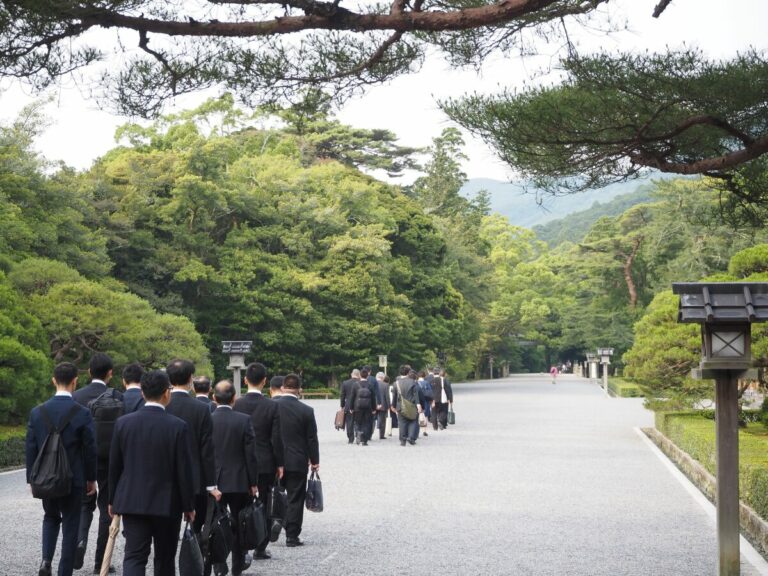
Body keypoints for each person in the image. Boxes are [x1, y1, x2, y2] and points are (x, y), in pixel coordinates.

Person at [108, 369, 196, 576]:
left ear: (142, 393)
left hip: (132, 499)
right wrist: (188, 505)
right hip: (167, 502)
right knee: (165, 558)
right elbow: (184, 470)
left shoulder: (123, 423)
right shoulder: (177, 426)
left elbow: (115, 466)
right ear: (167, 393)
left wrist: (112, 499)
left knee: (134, 556)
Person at [26, 362, 97, 576]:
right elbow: (90, 449)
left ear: (53, 380)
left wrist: (32, 479)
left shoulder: (37, 412)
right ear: (75, 381)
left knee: (50, 517)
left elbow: (30, 447)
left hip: (46, 478)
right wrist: (91, 479)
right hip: (73, 479)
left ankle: (45, 561)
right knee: (71, 523)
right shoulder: (82, 413)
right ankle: (64, 571)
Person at [72, 352, 122, 574]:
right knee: (106, 509)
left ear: (89, 372)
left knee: (84, 504)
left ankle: (80, 540)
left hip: (83, 459)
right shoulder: (117, 396)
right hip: (111, 459)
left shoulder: (77, 396)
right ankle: (100, 563)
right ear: (110, 373)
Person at [233, 362, 284, 559]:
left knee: (238, 506)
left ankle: (240, 547)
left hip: (239, 462)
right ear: (264, 381)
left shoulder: (236, 403)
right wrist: (280, 463)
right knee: (262, 504)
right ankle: (260, 547)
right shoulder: (271, 406)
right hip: (264, 461)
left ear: (245, 380)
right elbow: (276, 439)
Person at [165, 359, 219, 535]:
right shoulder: (201, 409)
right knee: (196, 524)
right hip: (195, 475)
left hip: (166, 476)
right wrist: (211, 484)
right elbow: (207, 449)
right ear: (190, 379)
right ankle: (193, 553)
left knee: (166, 529)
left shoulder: (163, 406)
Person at [211, 380, 259, 576]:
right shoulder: (243, 420)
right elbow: (251, 455)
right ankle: (237, 568)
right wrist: (253, 482)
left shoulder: (208, 419)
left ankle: (218, 562)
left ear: (214, 398)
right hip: (239, 480)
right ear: (234, 399)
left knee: (216, 525)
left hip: (215, 481)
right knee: (241, 525)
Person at [274, 374, 320, 547]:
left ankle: (274, 523)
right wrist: (314, 460)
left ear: (283, 387)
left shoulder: (272, 406)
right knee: (295, 497)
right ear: (300, 389)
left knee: (274, 495)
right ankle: (292, 535)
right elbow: (311, 439)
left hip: (274, 461)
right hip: (297, 459)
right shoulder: (306, 410)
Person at [391, 365, 422, 446]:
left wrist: (393, 406)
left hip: (400, 406)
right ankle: (411, 437)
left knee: (402, 422)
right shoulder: (413, 382)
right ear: (408, 372)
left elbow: (395, 396)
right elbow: (416, 395)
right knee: (413, 421)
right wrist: (418, 405)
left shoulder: (396, 383)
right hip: (412, 405)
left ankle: (402, 440)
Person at [349, 372, 376, 446]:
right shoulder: (370, 385)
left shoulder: (355, 385)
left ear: (360, 375)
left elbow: (352, 397)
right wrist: (374, 408)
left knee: (357, 422)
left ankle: (358, 433)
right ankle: (364, 440)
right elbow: (373, 398)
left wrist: (351, 407)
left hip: (357, 407)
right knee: (367, 423)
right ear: (367, 376)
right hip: (368, 407)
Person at [339, 369, 360, 444]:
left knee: (349, 422)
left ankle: (350, 438)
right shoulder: (360, 383)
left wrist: (342, 405)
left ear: (352, 374)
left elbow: (342, 395)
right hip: (358, 405)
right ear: (358, 375)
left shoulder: (345, 383)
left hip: (348, 405)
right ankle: (358, 435)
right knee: (358, 421)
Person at [374, 372, 390, 440]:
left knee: (371, 420)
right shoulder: (385, 385)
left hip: (373, 404)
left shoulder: (372, 384)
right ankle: (381, 435)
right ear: (382, 378)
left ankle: (369, 433)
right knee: (383, 420)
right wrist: (389, 405)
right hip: (383, 405)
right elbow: (387, 396)